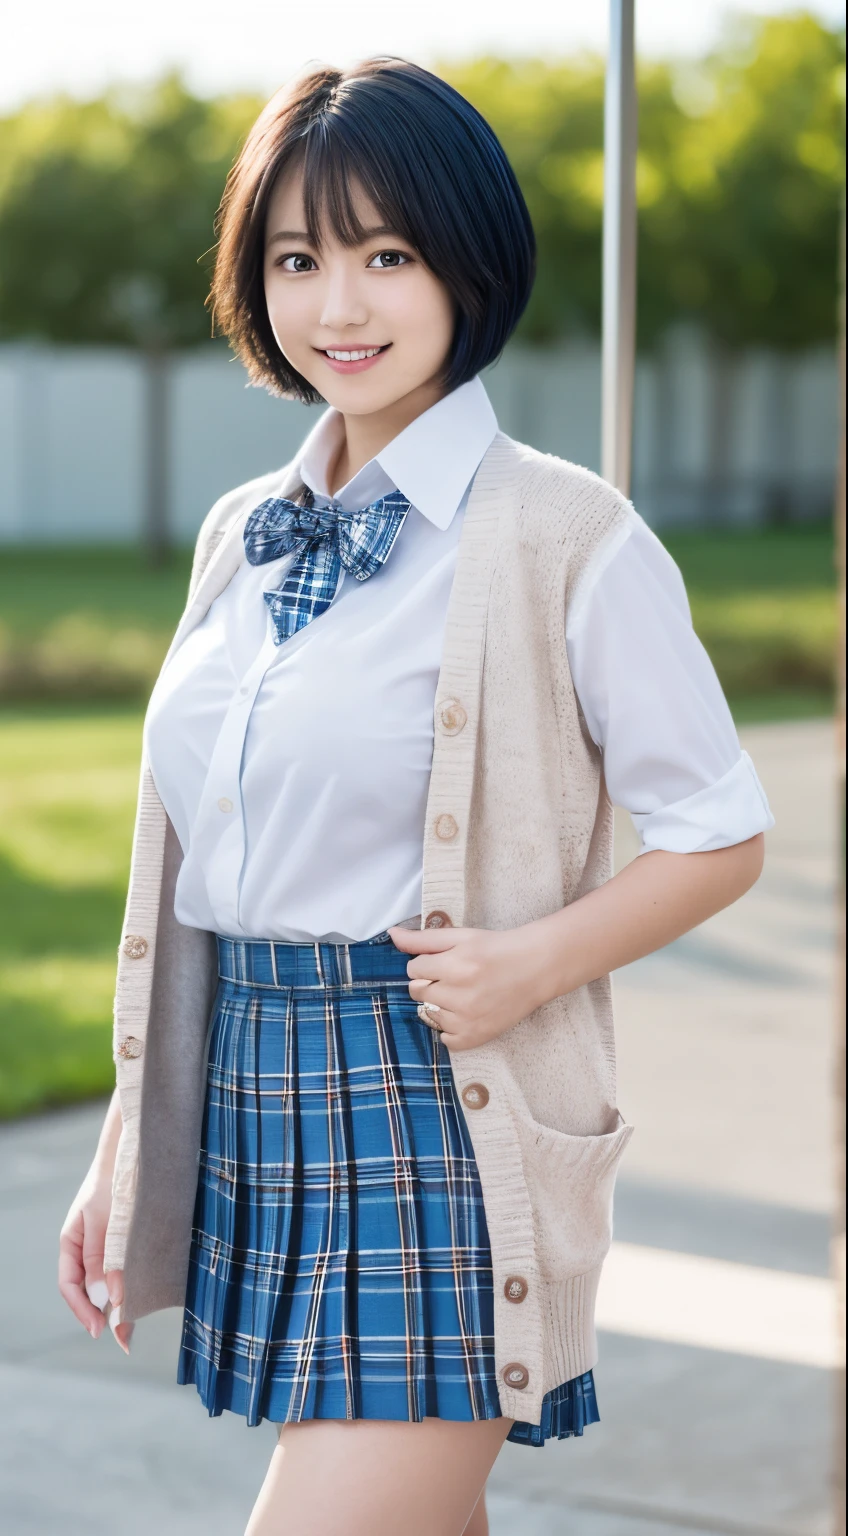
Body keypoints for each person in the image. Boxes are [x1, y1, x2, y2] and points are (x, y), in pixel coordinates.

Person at [58, 56, 774, 1536]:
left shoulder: (568, 536)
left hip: (435, 1108)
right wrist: (134, 1132)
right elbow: (201, 865)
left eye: (388, 254)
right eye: (299, 258)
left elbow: (720, 827)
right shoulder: (239, 532)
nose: (340, 305)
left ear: (469, 262)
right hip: (255, 1091)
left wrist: (530, 963)